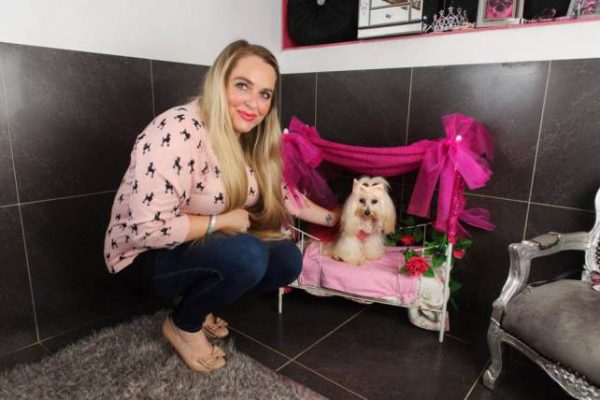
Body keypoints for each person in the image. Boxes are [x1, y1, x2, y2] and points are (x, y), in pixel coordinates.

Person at [104, 40, 339, 373]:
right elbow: (149, 230)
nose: (253, 104)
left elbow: (282, 194)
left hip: (192, 246)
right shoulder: (178, 130)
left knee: (287, 259)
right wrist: (222, 221)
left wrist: (336, 218)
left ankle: (200, 304)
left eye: (265, 94)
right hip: (140, 256)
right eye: (243, 86)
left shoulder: (245, 137)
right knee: (247, 255)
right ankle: (184, 325)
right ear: (219, 81)